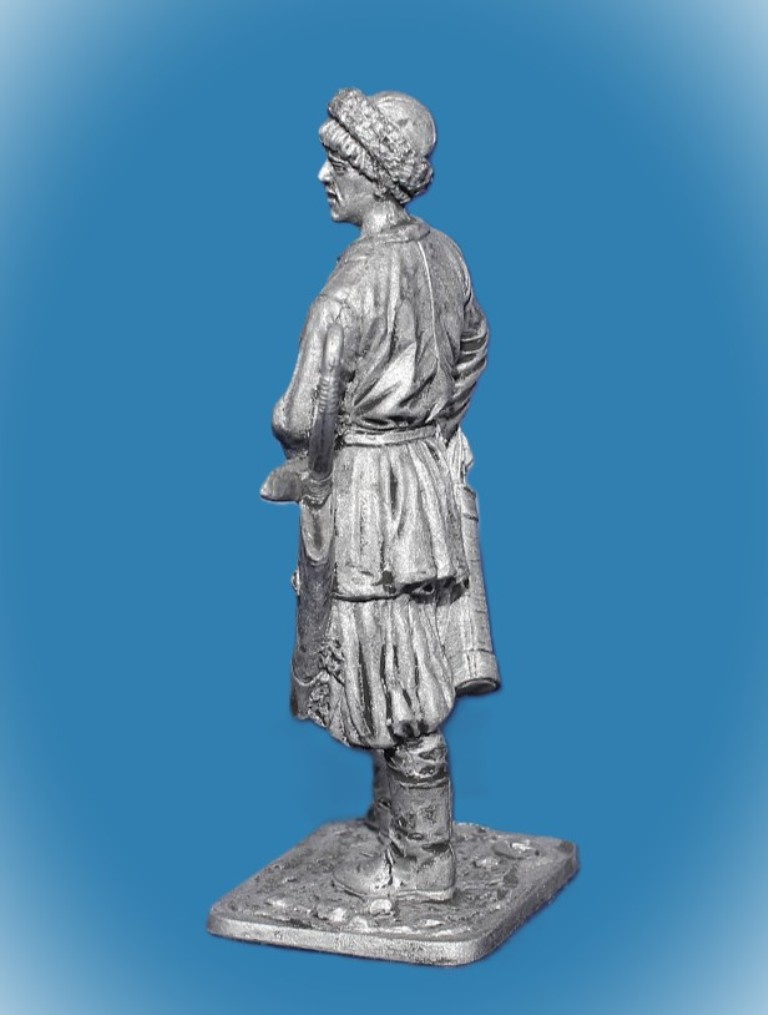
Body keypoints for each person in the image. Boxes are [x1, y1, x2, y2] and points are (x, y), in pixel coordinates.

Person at [264, 88, 500, 902]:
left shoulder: (349, 289)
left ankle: (424, 861)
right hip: (422, 476)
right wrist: (431, 424)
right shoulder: (445, 253)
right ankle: (398, 823)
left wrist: (318, 456)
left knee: (391, 661)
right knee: (404, 649)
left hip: (370, 492)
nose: (323, 174)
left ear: (374, 173)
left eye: (338, 160)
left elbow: (301, 414)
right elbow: (474, 344)